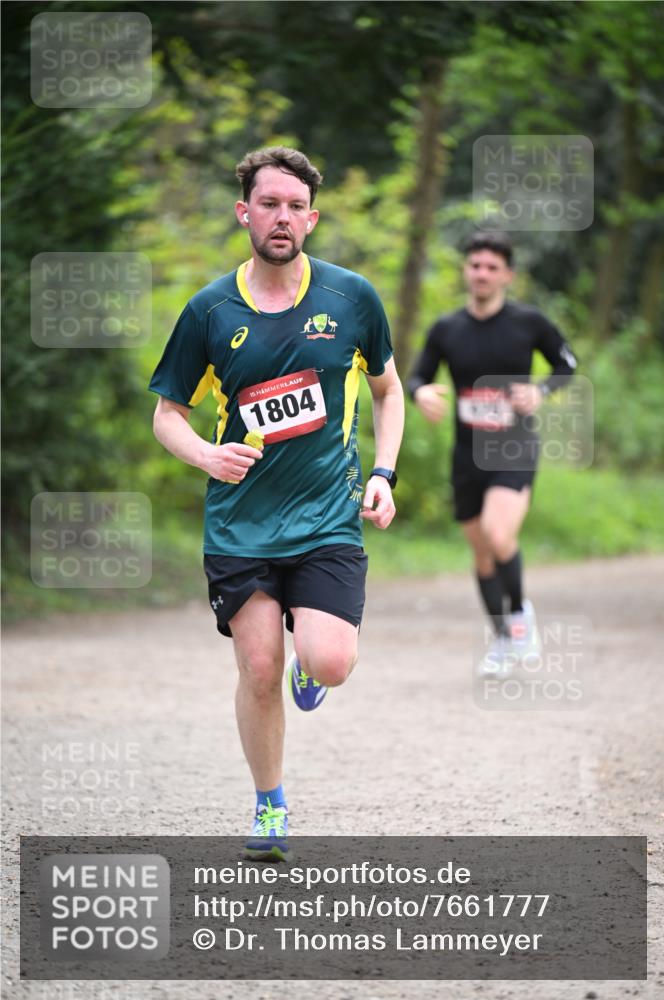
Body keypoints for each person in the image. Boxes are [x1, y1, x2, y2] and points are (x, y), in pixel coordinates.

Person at [149, 146, 404, 860]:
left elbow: (388, 391)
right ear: (245, 213)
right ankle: (269, 804)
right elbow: (167, 415)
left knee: (331, 662)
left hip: (326, 518)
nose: (282, 217)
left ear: (312, 219)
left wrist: (383, 473)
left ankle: (309, 666)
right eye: (269, 204)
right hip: (241, 524)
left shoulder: (351, 299)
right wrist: (206, 454)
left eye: (296, 206)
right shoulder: (209, 311)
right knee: (257, 669)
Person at [407, 231, 576, 676]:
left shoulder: (529, 322)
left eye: (491, 267)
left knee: (499, 536)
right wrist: (421, 392)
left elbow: (567, 364)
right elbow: (416, 376)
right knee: (483, 554)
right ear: (467, 271)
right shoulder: (446, 328)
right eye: (475, 265)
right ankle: (502, 639)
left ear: (507, 275)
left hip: (514, 447)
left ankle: (519, 617)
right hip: (467, 454)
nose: (481, 273)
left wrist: (540, 391)